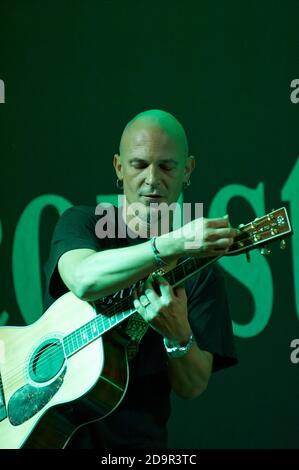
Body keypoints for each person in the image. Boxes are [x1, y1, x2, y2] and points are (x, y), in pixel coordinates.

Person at [43, 109, 238, 449]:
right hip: (48, 435)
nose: (152, 179)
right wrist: (172, 242)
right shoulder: (83, 223)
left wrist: (178, 335)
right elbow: (83, 278)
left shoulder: (202, 273)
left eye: (166, 166)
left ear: (187, 170)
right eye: (138, 165)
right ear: (119, 167)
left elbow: (193, 386)